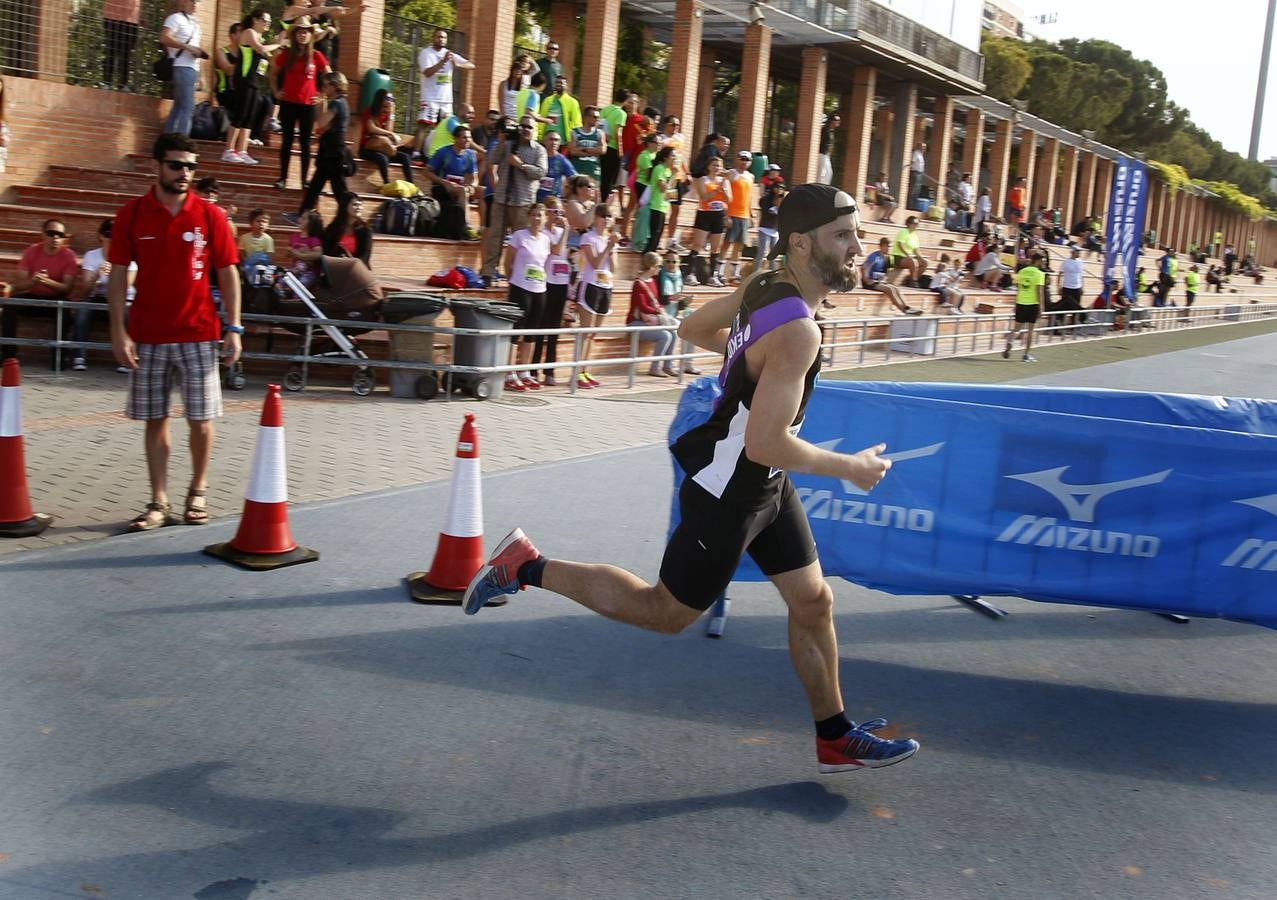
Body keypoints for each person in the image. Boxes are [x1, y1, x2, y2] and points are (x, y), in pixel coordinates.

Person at [461, 182, 920, 776]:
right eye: (844, 235)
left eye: (856, 232)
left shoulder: (765, 286)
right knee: (666, 612)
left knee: (813, 600)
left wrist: (743, 364)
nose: (857, 247)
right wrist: (850, 468)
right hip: (730, 489)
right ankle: (524, 565)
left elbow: (694, 331)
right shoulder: (798, 329)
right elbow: (765, 439)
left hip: (765, 485)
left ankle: (834, 736)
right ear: (803, 244)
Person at [108, 132, 240, 530]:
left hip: (199, 333)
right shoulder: (131, 215)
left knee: (201, 420)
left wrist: (233, 327)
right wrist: (119, 330)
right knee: (155, 420)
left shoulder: (210, 216)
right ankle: (158, 501)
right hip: (148, 335)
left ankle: (197, 491)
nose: (185, 173)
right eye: (176, 165)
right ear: (157, 166)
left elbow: (228, 272)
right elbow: (117, 277)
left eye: (191, 166)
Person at [480, 114, 547, 280]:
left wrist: (520, 165)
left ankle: (516, 275)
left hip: (524, 202)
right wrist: (502, 141)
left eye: (529, 127)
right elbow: (493, 159)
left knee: (521, 242)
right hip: (502, 198)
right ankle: (488, 272)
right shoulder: (508, 144)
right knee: (495, 238)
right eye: (523, 126)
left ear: (535, 131)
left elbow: (540, 172)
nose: (525, 129)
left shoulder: (539, 150)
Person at [2, 219, 80, 360]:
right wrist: (33, 282)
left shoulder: (69, 256)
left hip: (56, 300)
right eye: (51, 233)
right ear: (43, 235)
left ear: (63, 238)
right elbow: (18, 285)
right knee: (10, 305)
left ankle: (59, 356)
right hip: (34, 297)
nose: (55, 237)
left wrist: (47, 281)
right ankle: (8, 355)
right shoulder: (31, 251)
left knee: (66, 309)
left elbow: (67, 289)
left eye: (59, 234)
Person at [70, 218, 138, 371]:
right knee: (83, 310)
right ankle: (78, 356)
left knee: (128, 312)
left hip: (123, 299)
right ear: (101, 236)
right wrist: (97, 277)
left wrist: (114, 275)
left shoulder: (130, 256)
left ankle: (125, 360)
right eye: (109, 234)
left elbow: (126, 287)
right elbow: (85, 291)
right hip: (98, 297)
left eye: (116, 234)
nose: (112, 238)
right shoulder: (92, 256)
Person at [273, 16, 331, 189]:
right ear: (294, 35)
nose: (302, 35)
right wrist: (276, 91)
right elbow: (272, 74)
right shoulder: (285, 55)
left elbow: (329, 75)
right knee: (287, 141)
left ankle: (305, 180)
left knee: (306, 144)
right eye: (299, 32)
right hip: (288, 102)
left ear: (310, 35)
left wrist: (322, 95)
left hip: (308, 104)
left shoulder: (317, 56)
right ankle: (283, 178)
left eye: (305, 32)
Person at [502, 203, 554, 392]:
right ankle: (509, 372)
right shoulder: (519, 236)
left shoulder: (546, 239)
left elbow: (544, 264)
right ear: (528, 217)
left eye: (540, 215)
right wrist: (513, 280)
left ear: (545, 218)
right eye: (533, 215)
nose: (536, 218)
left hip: (539, 288)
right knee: (516, 331)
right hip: (520, 287)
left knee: (532, 332)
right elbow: (508, 262)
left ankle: (524, 371)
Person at [288, 72, 351, 224]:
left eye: (325, 85)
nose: (323, 88)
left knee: (340, 190)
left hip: (333, 151)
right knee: (315, 186)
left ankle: (350, 218)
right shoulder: (342, 102)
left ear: (334, 86)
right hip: (330, 150)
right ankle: (302, 215)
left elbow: (321, 123)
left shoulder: (336, 103)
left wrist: (321, 102)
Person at [221, 8, 279, 165]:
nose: (268, 24)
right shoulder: (249, 32)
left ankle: (242, 150)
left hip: (255, 82)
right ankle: (228, 150)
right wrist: (277, 44)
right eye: (265, 20)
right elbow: (260, 49)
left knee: (249, 118)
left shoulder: (260, 37)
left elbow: (267, 59)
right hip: (244, 80)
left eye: (269, 22)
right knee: (240, 115)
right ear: (255, 20)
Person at [574, 203, 618, 388]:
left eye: (608, 217)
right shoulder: (588, 237)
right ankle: (577, 372)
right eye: (602, 216)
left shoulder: (610, 239)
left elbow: (615, 268)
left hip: (606, 285)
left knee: (594, 333)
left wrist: (612, 247)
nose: (605, 220)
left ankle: (585, 369)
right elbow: (595, 263)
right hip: (591, 284)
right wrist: (608, 246)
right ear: (596, 218)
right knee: (585, 332)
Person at [530, 198, 572, 386]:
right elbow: (555, 250)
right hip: (546, 282)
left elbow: (564, 256)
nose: (558, 216)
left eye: (561, 212)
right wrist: (566, 233)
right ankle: (533, 369)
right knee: (541, 328)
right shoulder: (544, 233)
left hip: (561, 283)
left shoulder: (562, 232)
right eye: (554, 211)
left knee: (554, 329)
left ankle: (550, 370)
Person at [415, 27, 472, 147]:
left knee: (445, 127)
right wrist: (442, 62)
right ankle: (416, 154)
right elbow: (427, 72)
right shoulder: (426, 53)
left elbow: (471, 65)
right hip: (430, 97)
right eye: (439, 37)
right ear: (433, 38)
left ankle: (437, 152)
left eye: (444, 37)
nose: (441, 39)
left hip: (446, 100)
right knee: (423, 125)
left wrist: (457, 64)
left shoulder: (449, 54)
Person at [159, 0, 208, 136]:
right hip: (180, 66)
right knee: (188, 107)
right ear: (184, 2)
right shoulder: (175, 18)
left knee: (179, 107)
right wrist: (187, 47)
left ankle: (169, 140)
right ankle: (181, 143)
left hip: (191, 69)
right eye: (192, 1)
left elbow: (197, 50)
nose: (195, 4)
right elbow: (164, 38)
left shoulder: (196, 25)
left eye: (197, 1)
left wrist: (201, 75)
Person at [422, 122, 479, 239]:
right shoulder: (443, 152)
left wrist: (472, 186)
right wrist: (444, 182)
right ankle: (466, 227)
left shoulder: (470, 155)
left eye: (469, 137)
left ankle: (484, 228)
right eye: (464, 137)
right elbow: (426, 172)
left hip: (460, 188)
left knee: (485, 193)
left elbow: (475, 178)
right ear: (455, 139)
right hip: (441, 187)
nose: (468, 140)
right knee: (462, 191)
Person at [685, 156, 733, 287]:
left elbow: (729, 199)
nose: (716, 168)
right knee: (698, 244)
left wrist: (723, 191)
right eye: (714, 165)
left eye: (718, 165)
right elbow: (704, 197)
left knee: (715, 247)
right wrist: (716, 190)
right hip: (705, 213)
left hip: (719, 214)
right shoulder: (702, 179)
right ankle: (690, 274)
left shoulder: (724, 181)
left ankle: (712, 276)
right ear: (708, 166)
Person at [627, 252, 677, 376]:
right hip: (636, 322)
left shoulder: (652, 281)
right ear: (652, 267)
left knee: (673, 333)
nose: (659, 269)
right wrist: (658, 312)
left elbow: (656, 302)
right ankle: (655, 367)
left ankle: (668, 365)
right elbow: (643, 306)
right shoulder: (638, 283)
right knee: (665, 335)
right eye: (658, 266)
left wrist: (660, 310)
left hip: (650, 319)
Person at [359, 90, 413, 186]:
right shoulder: (369, 111)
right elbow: (371, 129)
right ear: (380, 99)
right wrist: (391, 134)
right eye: (388, 99)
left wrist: (391, 114)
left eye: (392, 100)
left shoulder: (387, 114)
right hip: (367, 148)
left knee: (405, 157)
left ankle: (411, 184)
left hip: (384, 147)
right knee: (383, 158)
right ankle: (386, 183)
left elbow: (389, 130)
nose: (390, 102)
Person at [1003, 251, 1045, 363]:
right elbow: (1039, 292)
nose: (1043, 263)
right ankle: (1026, 354)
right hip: (1032, 304)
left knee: (1016, 328)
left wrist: (1015, 303)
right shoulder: (1040, 274)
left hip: (1021, 302)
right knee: (1031, 331)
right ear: (1037, 261)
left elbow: (1018, 287)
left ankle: (1009, 343)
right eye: (1042, 261)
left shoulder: (1022, 271)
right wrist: (1041, 308)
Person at [861, 237, 917, 316]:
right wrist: (866, 279)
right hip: (868, 282)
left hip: (877, 281)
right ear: (883, 246)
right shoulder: (874, 256)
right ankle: (904, 310)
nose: (889, 249)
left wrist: (883, 279)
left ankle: (908, 307)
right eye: (888, 246)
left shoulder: (885, 257)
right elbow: (864, 267)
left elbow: (884, 271)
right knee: (889, 289)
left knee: (896, 288)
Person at [723, 150, 756, 283]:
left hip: (744, 215)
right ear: (737, 159)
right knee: (726, 244)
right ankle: (718, 273)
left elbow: (749, 197)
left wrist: (751, 214)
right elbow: (725, 194)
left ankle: (734, 274)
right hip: (732, 213)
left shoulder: (751, 177)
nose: (744, 162)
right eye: (742, 159)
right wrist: (726, 215)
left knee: (739, 246)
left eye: (747, 160)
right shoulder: (731, 173)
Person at [321, 192, 372, 267]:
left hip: (356, 270)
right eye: (355, 205)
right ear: (345, 206)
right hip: (336, 268)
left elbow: (365, 256)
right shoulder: (333, 228)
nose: (359, 208)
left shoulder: (365, 230)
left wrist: (350, 263)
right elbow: (326, 252)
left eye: (360, 205)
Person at [643, 146, 676, 255]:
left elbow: (671, 189)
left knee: (657, 237)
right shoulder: (659, 168)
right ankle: (646, 259)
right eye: (672, 156)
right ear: (665, 157)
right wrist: (673, 175)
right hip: (656, 206)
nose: (674, 158)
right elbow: (663, 188)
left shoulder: (667, 171)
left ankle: (650, 260)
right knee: (654, 237)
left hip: (663, 206)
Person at [598, 90, 629, 203]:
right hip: (612, 148)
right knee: (611, 178)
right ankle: (604, 202)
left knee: (603, 176)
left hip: (602, 145)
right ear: (625, 101)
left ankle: (601, 200)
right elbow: (618, 133)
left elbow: (600, 125)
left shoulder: (606, 109)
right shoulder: (621, 113)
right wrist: (620, 150)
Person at [102, 0, 141, 91]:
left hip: (131, 17)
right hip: (112, 15)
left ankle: (123, 84)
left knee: (126, 53)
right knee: (111, 50)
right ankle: (107, 82)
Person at [568, 105, 606, 189]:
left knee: (594, 193)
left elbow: (602, 150)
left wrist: (584, 149)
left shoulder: (599, 133)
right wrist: (593, 151)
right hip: (578, 168)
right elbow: (573, 151)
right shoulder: (575, 132)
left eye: (598, 117)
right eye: (595, 117)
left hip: (593, 169)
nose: (597, 120)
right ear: (586, 117)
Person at [538, 75, 582, 146]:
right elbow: (541, 119)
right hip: (547, 140)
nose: (558, 84)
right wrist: (539, 136)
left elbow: (576, 122)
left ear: (566, 85)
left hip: (563, 142)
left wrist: (575, 139)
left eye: (561, 83)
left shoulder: (573, 102)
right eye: (556, 82)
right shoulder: (547, 100)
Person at [286, 210, 325, 287]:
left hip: (309, 272)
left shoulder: (314, 240)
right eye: (300, 217)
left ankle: (298, 298)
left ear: (311, 223)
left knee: (300, 284)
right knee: (282, 280)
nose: (299, 220)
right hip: (295, 269)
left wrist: (298, 254)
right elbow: (288, 254)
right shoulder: (294, 237)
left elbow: (318, 254)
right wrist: (292, 252)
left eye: (303, 218)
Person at [536, 131, 576, 202]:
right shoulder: (536, 156)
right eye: (551, 139)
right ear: (544, 141)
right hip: (534, 199)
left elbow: (574, 179)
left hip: (553, 202)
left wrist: (567, 197)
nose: (554, 142)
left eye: (556, 140)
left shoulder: (562, 160)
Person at [237, 208, 274, 282]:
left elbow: (269, 255)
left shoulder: (268, 239)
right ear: (251, 223)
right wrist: (246, 262)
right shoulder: (244, 237)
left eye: (264, 222)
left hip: (262, 266)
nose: (261, 224)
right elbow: (241, 252)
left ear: (268, 225)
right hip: (248, 264)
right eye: (258, 221)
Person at [889, 216, 926, 287]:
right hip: (897, 257)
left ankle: (911, 279)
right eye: (914, 223)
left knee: (925, 263)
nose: (916, 226)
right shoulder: (903, 231)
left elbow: (916, 249)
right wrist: (908, 254)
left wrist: (921, 258)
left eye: (917, 224)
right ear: (909, 224)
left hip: (908, 258)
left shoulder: (915, 235)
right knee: (913, 261)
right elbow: (900, 245)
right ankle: (913, 281)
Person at [1056, 246, 1085, 332]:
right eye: (1077, 251)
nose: (1079, 253)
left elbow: (1081, 275)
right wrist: (1059, 286)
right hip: (1067, 288)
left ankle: (1073, 326)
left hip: (1077, 288)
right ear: (1073, 252)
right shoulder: (1066, 262)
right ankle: (1059, 325)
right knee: (1063, 307)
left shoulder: (1080, 262)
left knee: (1076, 308)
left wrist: (1082, 286)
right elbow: (1060, 274)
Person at [816, 114, 839, 185]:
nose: (838, 123)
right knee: (822, 172)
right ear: (832, 121)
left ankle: (824, 186)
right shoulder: (825, 130)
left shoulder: (831, 131)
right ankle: (818, 186)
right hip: (822, 154)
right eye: (837, 121)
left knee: (829, 172)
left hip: (826, 155)